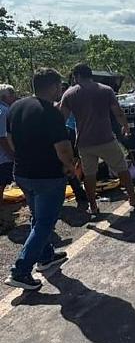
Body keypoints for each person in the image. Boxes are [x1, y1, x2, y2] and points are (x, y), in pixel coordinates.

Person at [4, 68, 75, 290]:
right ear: (53, 87)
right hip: (48, 175)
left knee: (38, 216)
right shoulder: (51, 112)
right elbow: (63, 148)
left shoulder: (16, 107)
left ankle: (45, 256)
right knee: (45, 222)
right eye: (59, 86)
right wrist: (70, 166)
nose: (60, 90)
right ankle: (21, 270)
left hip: (22, 172)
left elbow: (10, 139)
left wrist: (24, 156)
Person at [60, 63, 135, 217]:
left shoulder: (69, 94)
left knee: (89, 175)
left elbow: (62, 118)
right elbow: (118, 112)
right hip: (106, 138)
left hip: (84, 143)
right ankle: (133, 197)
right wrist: (126, 127)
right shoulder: (105, 90)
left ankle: (93, 206)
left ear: (77, 76)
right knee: (121, 168)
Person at [0, 84, 17, 206]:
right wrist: (12, 154)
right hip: (3, 156)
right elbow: (2, 137)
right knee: (1, 182)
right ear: (6, 97)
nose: (14, 97)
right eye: (12, 95)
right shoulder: (4, 111)